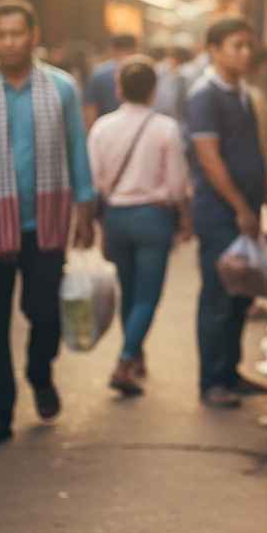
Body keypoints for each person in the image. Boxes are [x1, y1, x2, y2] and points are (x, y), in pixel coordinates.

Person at [0, 0, 96, 447]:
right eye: (0, 35)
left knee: (45, 314)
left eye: (17, 33)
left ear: (34, 35)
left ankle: (39, 371)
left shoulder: (62, 89)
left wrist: (85, 207)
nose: (9, 42)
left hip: (44, 223)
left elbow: (76, 149)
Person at [88, 57, 191, 396]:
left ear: (119, 88)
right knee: (147, 296)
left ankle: (135, 357)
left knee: (129, 291)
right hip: (153, 218)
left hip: (116, 218)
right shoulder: (166, 128)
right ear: (153, 89)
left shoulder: (102, 127)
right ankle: (125, 359)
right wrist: (185, 217)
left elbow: (95, 181)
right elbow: (177, 185)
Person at [186, 17, 267, 409]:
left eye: (248, 45)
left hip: (244, 210)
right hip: (220, 214)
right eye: (237, 46)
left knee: (240, 295)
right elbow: (209, 159)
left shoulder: (241, 93)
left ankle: (230, 372)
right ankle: (211, 382)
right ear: (214, 50)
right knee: (219, 295)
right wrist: (239, 207)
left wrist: (259, 206)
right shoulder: (204, 95)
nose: (246, 53)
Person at [83, 33, 139, 129]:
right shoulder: (142, 72)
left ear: (112, 49)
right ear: (136, 48)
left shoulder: (98, 74)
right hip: (139, 131)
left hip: (106, 130)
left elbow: (90, 111)